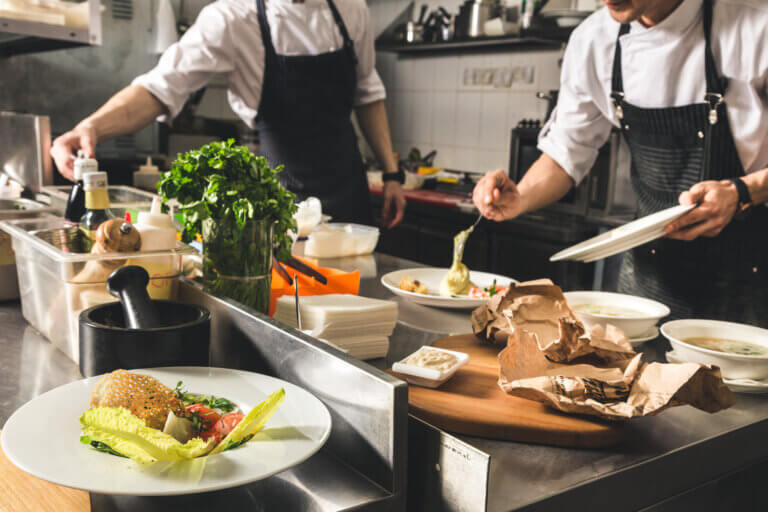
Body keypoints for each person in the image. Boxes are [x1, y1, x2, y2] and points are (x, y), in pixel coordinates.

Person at [473, 0, 768, 327]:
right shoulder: (594, 41)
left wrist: (745, 191)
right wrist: (522, 196)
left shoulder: (756, 26)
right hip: (648, 289)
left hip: (751, 282)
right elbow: (568, 149)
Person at [51, 0, 406, 228]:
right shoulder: (233, 18)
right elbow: (160, 88)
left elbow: (368, 94)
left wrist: (392, 174)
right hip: (280, 203)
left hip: (348, 190)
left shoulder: (351, 9)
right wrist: (91, 126)